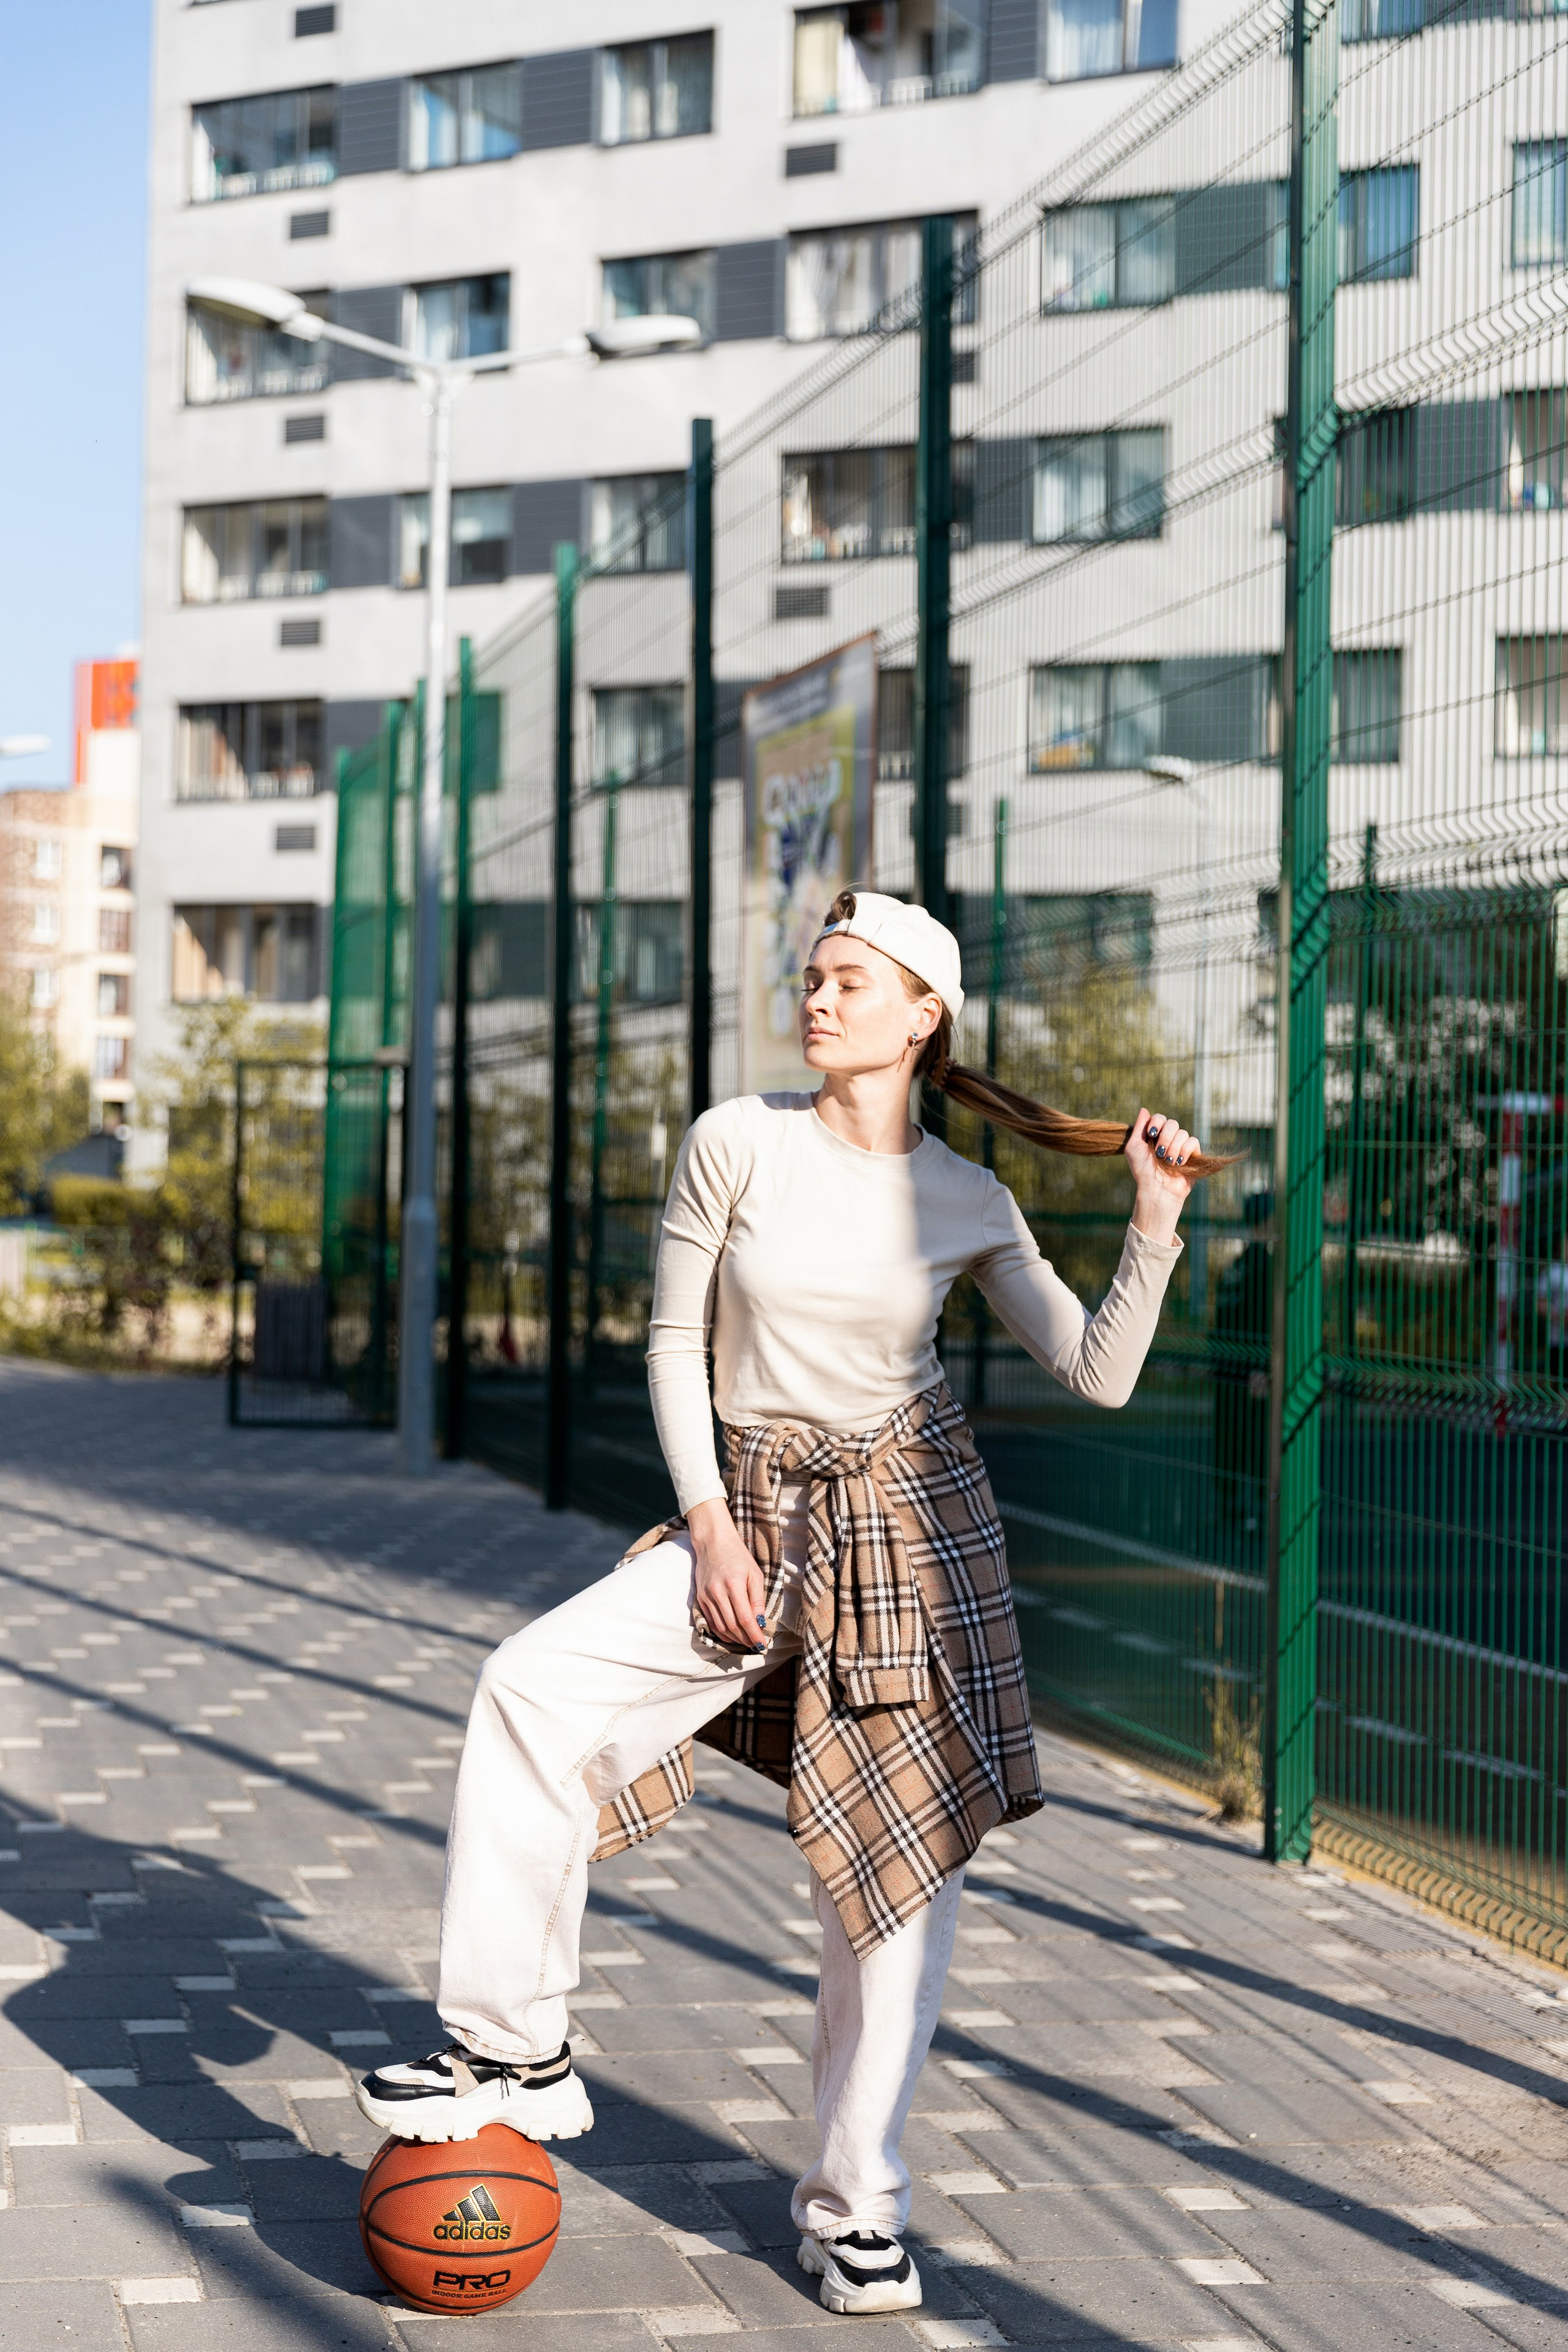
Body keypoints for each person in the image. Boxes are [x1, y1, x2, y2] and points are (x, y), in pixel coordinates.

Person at [356, 889, 1216, 2315]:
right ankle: (513, 2042)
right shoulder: (734, 1140)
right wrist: (702, 1522)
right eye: (810, 977)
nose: (815, 999)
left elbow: (1097, 1370)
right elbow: (671, 1334)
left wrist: (1154, 1223)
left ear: (921, 1013)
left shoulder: (965, 1198)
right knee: (529, 1685)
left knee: (890, 1886)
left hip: (906, 1535)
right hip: (741, 1512)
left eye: (848, 981)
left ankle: (853, 2205)